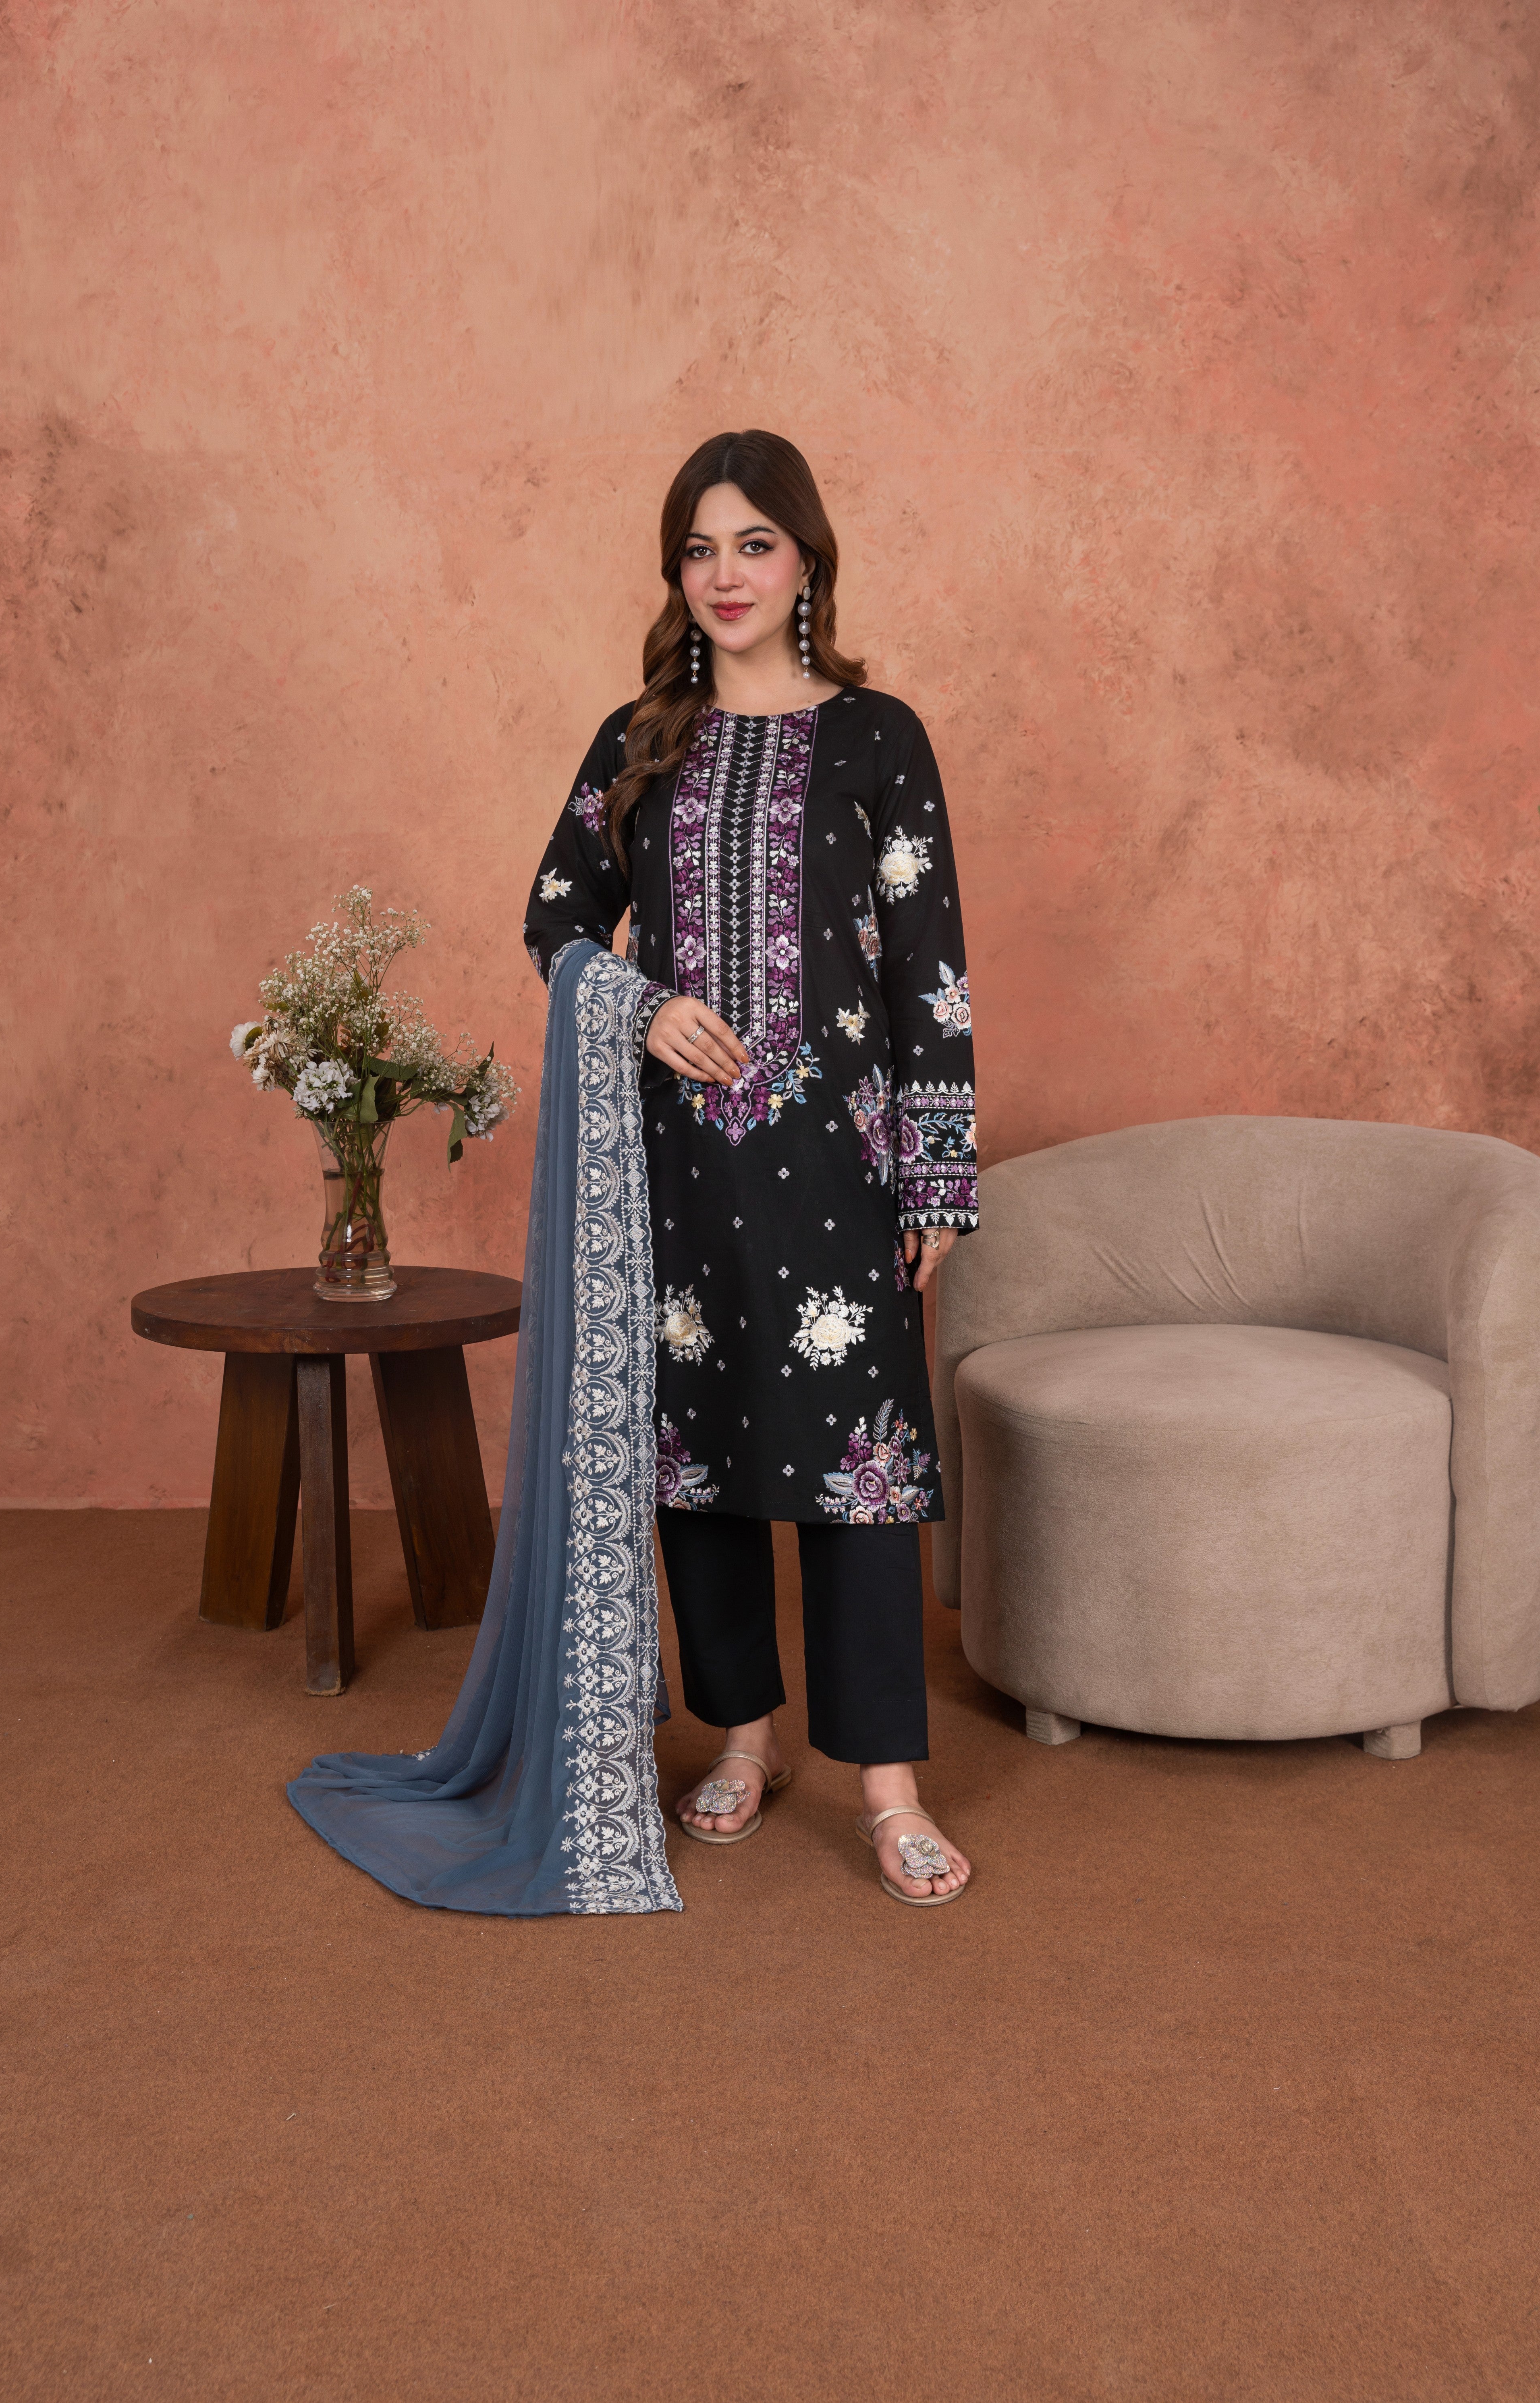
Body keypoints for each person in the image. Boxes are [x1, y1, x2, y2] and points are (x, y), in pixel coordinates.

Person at [522, 428, 978, 1906]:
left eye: (754, 544)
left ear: (805, 560)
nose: (725, 575)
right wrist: (639, 1006)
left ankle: (888, 1786)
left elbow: (929, 972)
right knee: (698, 1459)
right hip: (681, 1170)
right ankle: (741, 1735)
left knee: (862, 1467)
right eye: (699, 549)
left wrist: (936, 1174)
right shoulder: (638, 740)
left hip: (840, 1165)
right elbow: (555, 918)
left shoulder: (878, 737)